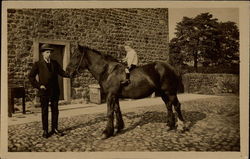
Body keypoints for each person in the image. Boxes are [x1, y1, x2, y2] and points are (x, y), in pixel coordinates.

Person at [29, 43, 71, 138]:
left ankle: (55, 129)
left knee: (55, 110)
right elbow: (31, 77)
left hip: (55, 91)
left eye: (50, 52)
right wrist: (39, 86)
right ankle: (45, 130)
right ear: (43, 53)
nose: (49, 54)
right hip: (44, 92)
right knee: (44, 111)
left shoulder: (55, 63)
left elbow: (62, 72)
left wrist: (70, 75)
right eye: (47, 52)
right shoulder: (38, 64)